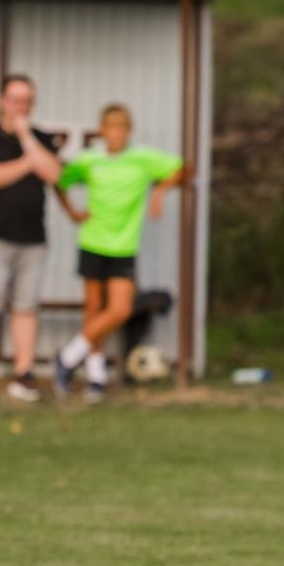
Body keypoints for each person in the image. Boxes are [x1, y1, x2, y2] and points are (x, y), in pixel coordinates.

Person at [51, 103, 187, 401]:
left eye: (122, 129)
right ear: (102, 132)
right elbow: (58, 181)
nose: (116, 135)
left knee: (120, 310)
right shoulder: (89, 160)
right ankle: (96, 375)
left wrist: (160, 191)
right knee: (94, 310)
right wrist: (73, 212)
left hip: (123, 246)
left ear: (129, 132)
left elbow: (181, 169)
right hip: (92, 242)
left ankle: (68, 357)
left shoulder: (142, 159)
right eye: (111, 129)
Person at [0, 74, 67, 403]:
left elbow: (53, 174)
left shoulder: (40, 137)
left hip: (33, 239)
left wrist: (27, 137)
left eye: (26, 100)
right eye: (15, 99)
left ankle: (24, 373)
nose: (20, 106)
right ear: (2, 101)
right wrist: (29, 163)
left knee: (26, 308)